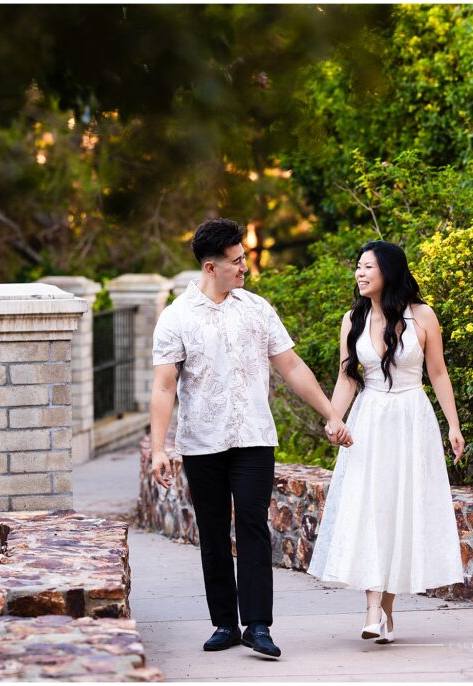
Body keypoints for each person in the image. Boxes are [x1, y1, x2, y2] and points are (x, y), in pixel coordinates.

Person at [150, 217, 350, 659]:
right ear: (210, 267)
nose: (244, 268)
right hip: (202, 441)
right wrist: (159, 447)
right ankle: (225, 622)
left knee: (254, 526)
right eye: (237, 261)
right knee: (214, 530)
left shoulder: (257, 309)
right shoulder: (176, 318)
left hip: (255, 437)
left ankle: (258, 625)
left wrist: (331, 413)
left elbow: (291, 365)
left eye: (244, 260)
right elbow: (164, 386)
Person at [307, 239, 466, 644]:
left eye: (368, 267)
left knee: (401, 510)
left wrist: (453, 425)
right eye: (357, 267)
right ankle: (372, 610)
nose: (359, 274)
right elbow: (347, 378)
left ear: (388, 272)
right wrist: (333, 419)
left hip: (412, 419)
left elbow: (439, 374)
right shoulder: (352, 319)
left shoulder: (423, 316)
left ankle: (386, 612)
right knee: (372, 509)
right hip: (370, 420)